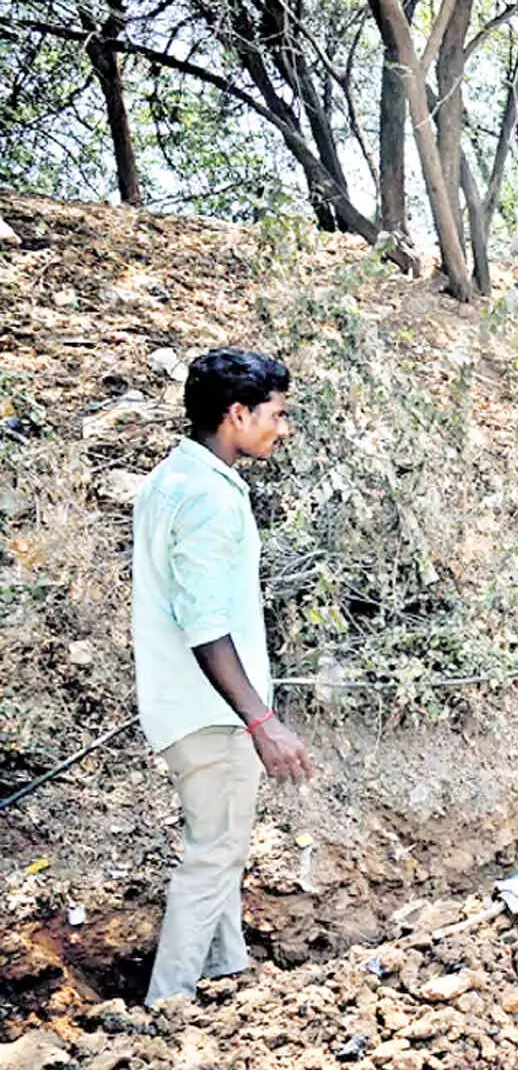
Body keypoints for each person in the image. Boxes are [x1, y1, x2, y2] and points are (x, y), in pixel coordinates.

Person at [133, 349, 313, 1006]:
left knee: (222, 849)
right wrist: (261, 721)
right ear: (237, 414)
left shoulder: (169, 483)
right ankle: (169, 1007)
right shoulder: (206, 498)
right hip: (212, 715)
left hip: (187, 708)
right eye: (277, 415)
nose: (282, 429)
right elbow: (205, 624)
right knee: (212, 857)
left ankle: (225, 978)